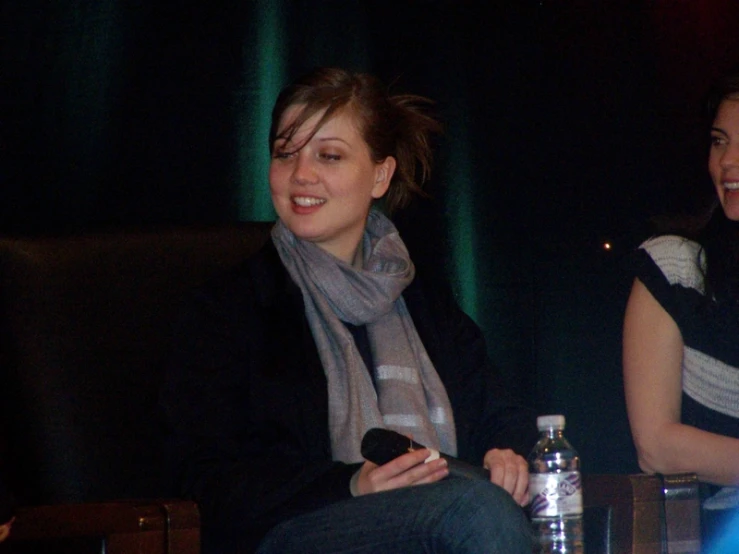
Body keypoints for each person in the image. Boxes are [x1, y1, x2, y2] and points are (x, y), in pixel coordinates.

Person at [161, 67, 538, 554]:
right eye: (285, 153)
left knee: (505, 504)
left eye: (329, 155)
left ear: (380, 175)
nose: (301, 174)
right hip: (291, 531)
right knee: (472, 511)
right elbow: (200, 473)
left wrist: (505, 453)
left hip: (441, 518)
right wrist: (351, 485)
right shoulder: (229, 309)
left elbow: (499, 413)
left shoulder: (423, 304)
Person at [622, 65, 739, 546]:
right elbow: (656, 446)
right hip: (712, 527)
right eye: (719, 141)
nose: (728, 161)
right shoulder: (675, 267)